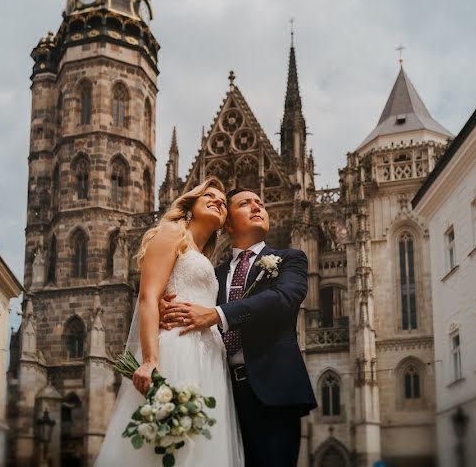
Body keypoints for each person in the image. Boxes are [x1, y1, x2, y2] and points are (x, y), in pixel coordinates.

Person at [161, 188, 317, 466]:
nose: (257, 207)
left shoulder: (291, 259)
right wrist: (166, 308)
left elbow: (283, 300)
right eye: (246, 204)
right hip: (220, 392)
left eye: (260, 203)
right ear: (228, 224)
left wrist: (217, 314)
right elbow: (189, 307)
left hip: (273, 393)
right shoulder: (213, 274)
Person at [95, 177, 245, 466]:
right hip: (180, 348)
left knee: (200, 445)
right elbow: (148, 296)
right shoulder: (171, 232)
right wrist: (151, 360)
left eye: (223, 203)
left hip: (210, 357)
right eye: (209, 196)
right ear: (190, 205)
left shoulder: (204, 255)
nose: (218, 202)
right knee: (168, 444)